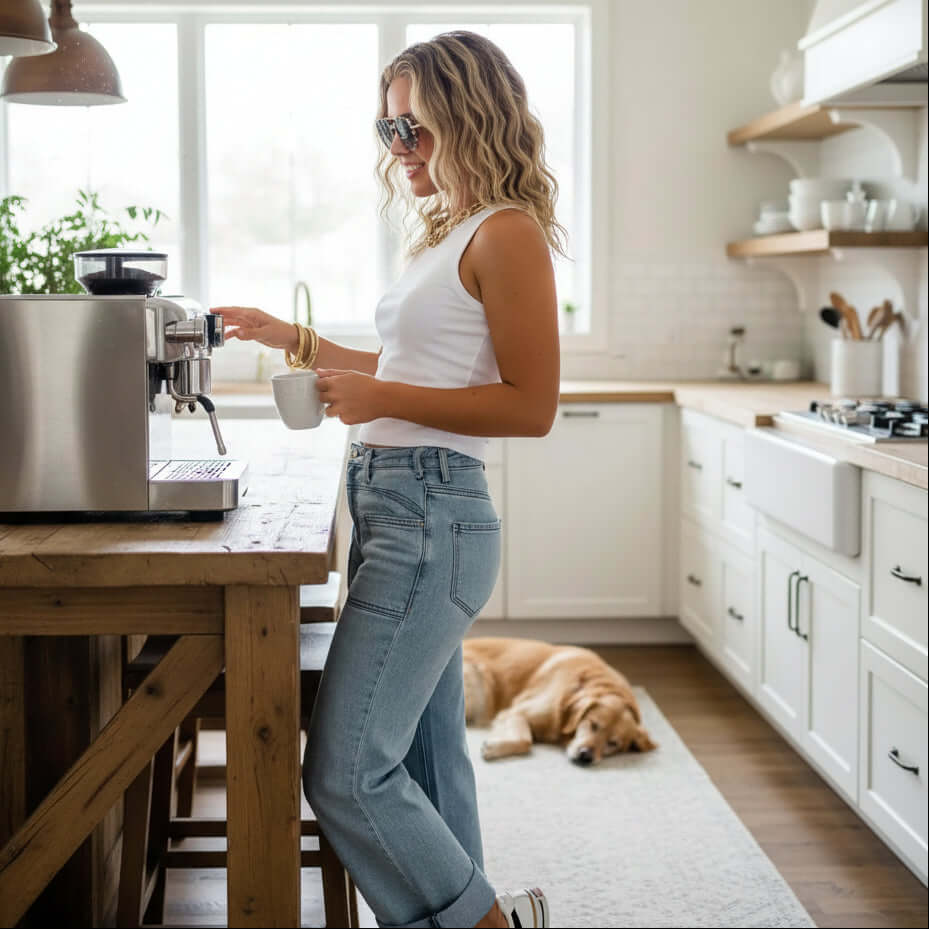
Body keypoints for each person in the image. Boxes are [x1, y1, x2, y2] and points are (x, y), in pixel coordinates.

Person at [214, 29, 563, 929]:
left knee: (346, 770)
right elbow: (409, 367)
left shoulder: (508, 233)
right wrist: (284, 337)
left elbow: (530, 405)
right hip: (394, 504)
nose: (396, 147)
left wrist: (375, 393)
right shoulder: (448, 237)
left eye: (412, 126)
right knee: (424, 759)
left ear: (466, 116)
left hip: (431, 510)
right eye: (386, 130)